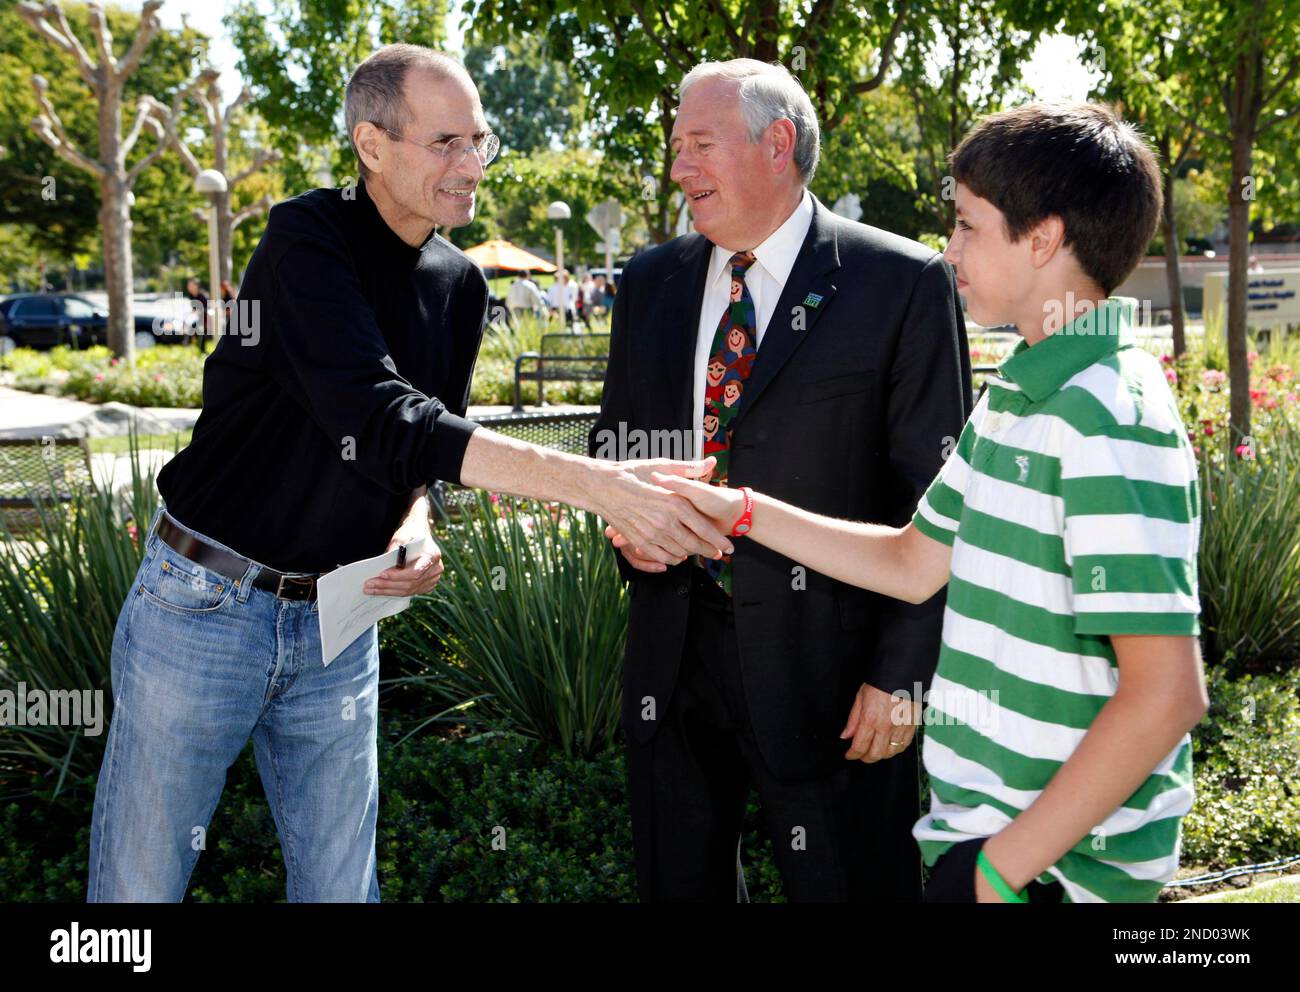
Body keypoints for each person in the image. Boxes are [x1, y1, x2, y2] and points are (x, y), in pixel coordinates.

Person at [87, 43, 729, 904]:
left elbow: (412, 454)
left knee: (342, 889)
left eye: (479, 142)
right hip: (204, 606)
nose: (472, 166)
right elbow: (376, 410)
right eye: (445, 144)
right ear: (371, 145)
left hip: (344, 620)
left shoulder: (462, 286)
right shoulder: (303, 240)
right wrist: (602, 485)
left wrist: (414, 522)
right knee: (137, 886)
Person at [647, 102, 1209, 903]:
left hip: (1055, 875)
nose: (949, 251)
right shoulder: (1018, 392)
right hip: (992, 846)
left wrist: (996, 874)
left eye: (969, 226)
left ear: (1044, 238)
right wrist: (740, 511)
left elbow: (1166, 694)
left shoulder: (1107, 414)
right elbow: (913, 562)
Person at [589, 59, 970, 902]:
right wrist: (626, 529)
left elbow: (938, 501)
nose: (678, 168)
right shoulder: (650, 283)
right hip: (673, 660)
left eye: (698, 145)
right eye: (674, 147)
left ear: (777, 144)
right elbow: (616, 445)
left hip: (835, 680)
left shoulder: (902, 282)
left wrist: (903, 675)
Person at [184, 277, 208, 351]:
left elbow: (206, 309)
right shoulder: (191, 296)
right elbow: (193, 309)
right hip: (197, 319)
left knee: (201, 334)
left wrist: (198, 311)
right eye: (188, 286)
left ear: (196, 286)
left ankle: (202, 350)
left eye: (191, 286)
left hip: (205, 319)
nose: (189, 288)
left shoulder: (202, 296)